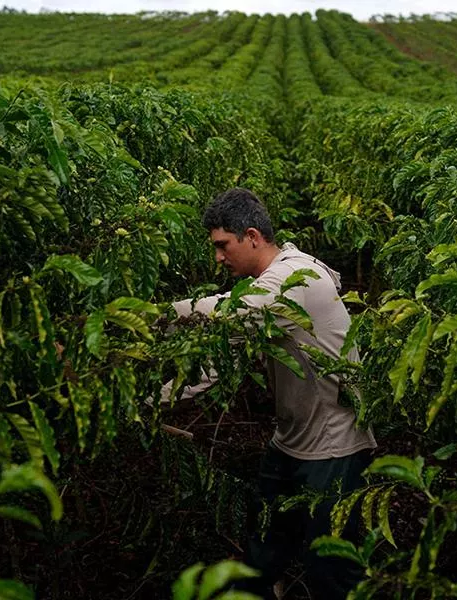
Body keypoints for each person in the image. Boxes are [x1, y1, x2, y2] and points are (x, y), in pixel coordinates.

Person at [165, 188, 377, 599]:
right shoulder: (268, 286)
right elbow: (217, 363)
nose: (218, 258)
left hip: (334, 449)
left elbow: (226, 313)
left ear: (252, 236)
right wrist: (148, 401)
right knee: (262, 551)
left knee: (331, 568)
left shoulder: (297, 279)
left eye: (223, 246)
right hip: (291, 442)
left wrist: (141, 319)